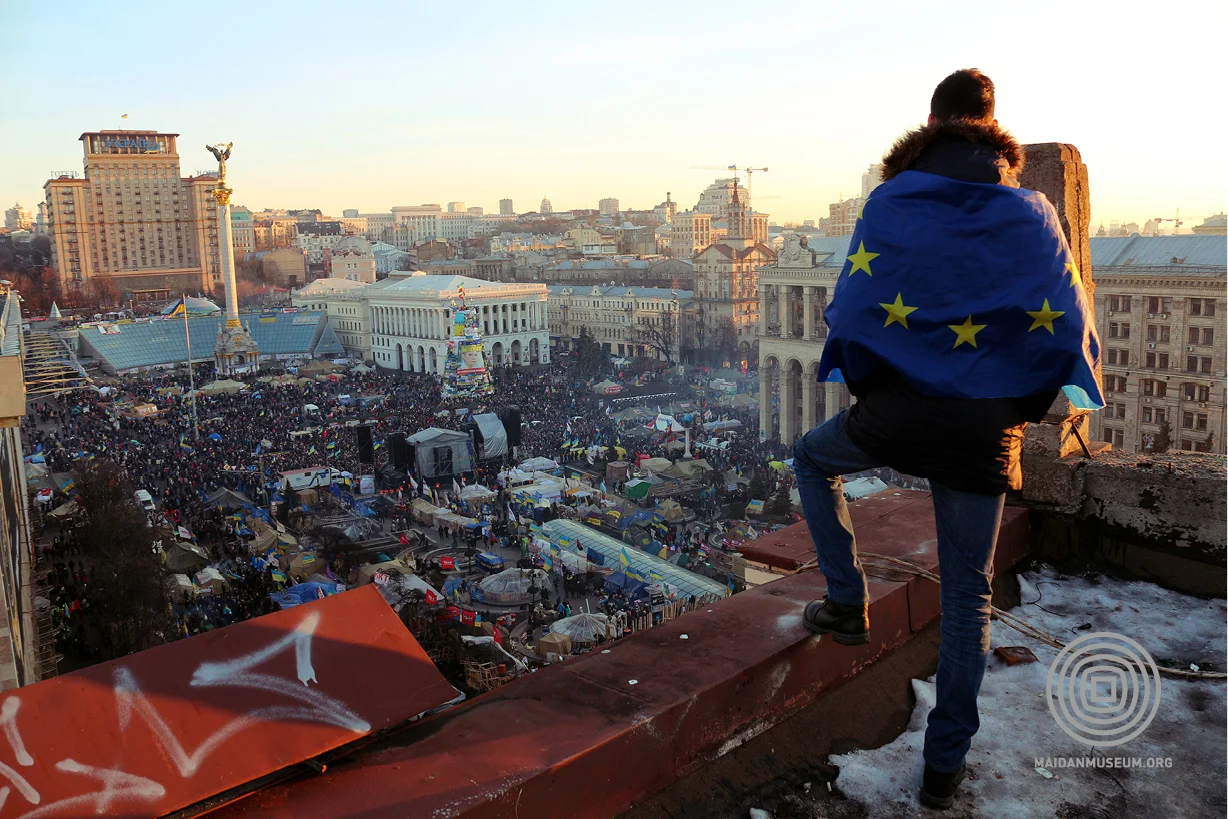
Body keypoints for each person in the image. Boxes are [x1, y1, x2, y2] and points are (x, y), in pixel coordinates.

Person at [793, 69, 1101, 810]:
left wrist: (881, 391)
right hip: (982, 427)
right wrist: (1012, 405)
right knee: (969, 598)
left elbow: (854, 307)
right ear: (997, 132)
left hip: (899, 411)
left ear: (931, 122)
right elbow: (1067, 320)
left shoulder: (893, 200)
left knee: (812, 457)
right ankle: (943, 769)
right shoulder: (1029, 213)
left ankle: (846, 600)